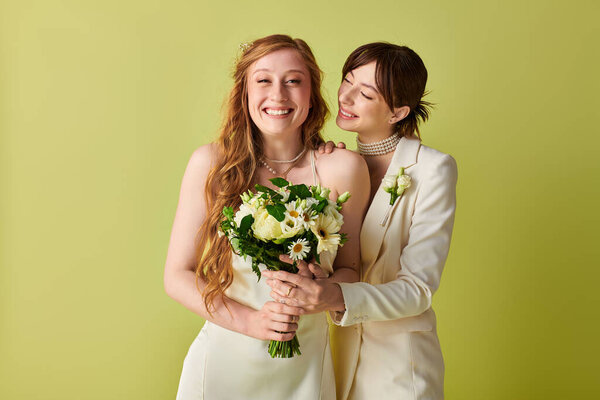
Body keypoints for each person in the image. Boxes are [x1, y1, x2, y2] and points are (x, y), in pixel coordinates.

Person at [163, 34, 369, 400]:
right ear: (244, 92)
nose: (278, 95)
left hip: (304, 367)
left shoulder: (343, 168)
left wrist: (323, 290)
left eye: (293, 81)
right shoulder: (211, 164)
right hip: (223, 363)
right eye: (263, 80)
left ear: (312, 93)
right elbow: (177, 276)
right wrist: (252, 322)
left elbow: (351, 269)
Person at [263, 42, 457, 399]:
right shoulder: (334, 163)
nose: (345, 98)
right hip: (332, 357)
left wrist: (334, 295)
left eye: (364, 93)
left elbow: (418, 290)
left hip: (400, 366)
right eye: (346, 81)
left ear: (398, 112)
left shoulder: (433, 169)